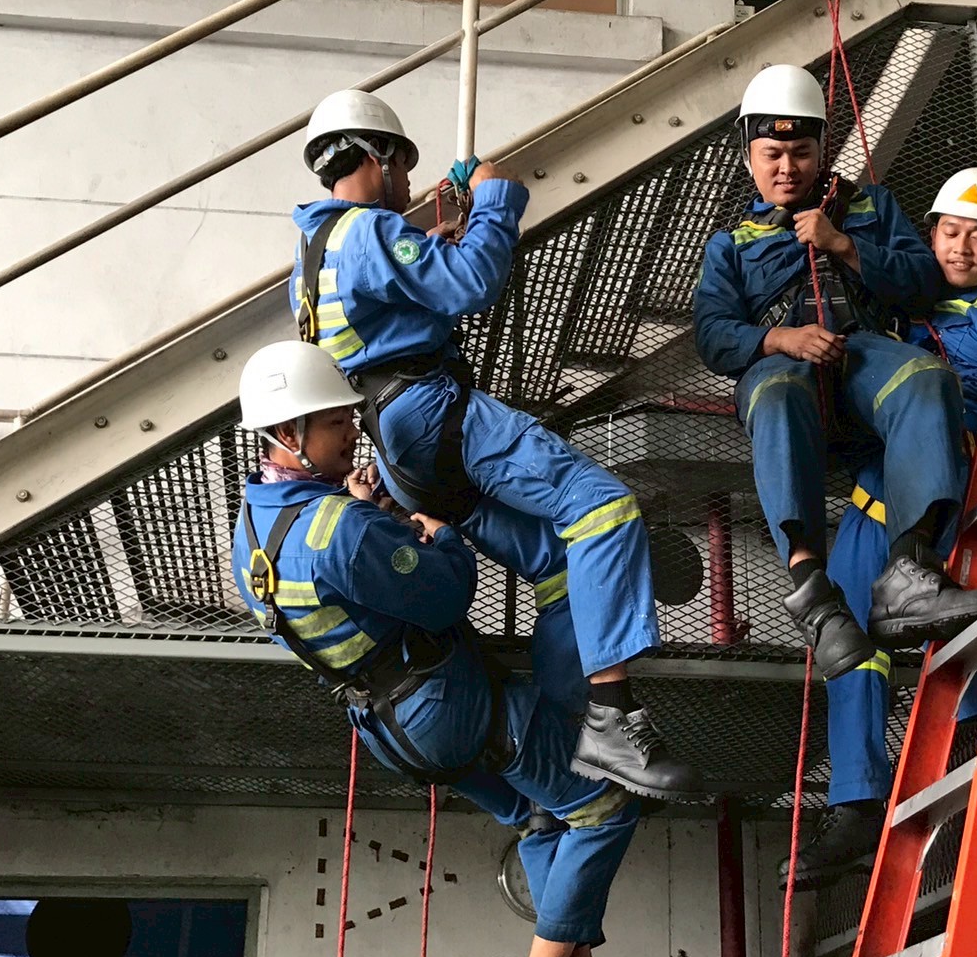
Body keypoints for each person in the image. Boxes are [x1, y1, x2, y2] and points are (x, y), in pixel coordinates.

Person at [288, 89, 701, 801]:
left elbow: (380, 316)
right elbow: (475, 283)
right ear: (377, 158)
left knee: (561, 568)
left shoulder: (313, 252)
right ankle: (611, 715)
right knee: (602, 508)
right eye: (403, 168)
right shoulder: (366, 232)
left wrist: (437, 247)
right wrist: (495, 198)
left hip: (399, 446)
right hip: (432, 414)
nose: (410, 186)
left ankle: (575, 735)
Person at [230, 341, 634, 957]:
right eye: (334, 421)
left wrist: (367, 513)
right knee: (603, 805)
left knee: (538, 813)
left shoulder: (252, 531)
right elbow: (447, 593)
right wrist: (443, 533)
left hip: (388, 730)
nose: (352, 430)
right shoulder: (341, 528)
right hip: (447, 708)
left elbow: (341, 598)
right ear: (288, 433)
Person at [789, 167, 977, 888]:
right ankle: (855, 804)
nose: (961, 248)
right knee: (849, 647)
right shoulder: (900, 304)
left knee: (951, 630)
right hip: (871, 507)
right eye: (950, 232)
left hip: (950, 501)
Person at [693, 64, 977, 687]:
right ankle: (813, 594)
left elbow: (924, 282)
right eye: (772, 154)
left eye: (801, 153)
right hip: (782, 369)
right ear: (748, 156)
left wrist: (844, 245)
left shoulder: (870, 207)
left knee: (926, 378)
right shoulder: (731, 243)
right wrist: (780, 339)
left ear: (821, 150)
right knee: (778, 393)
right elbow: (713, 333)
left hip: (863, 359)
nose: (787, 167)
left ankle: (910, 575)